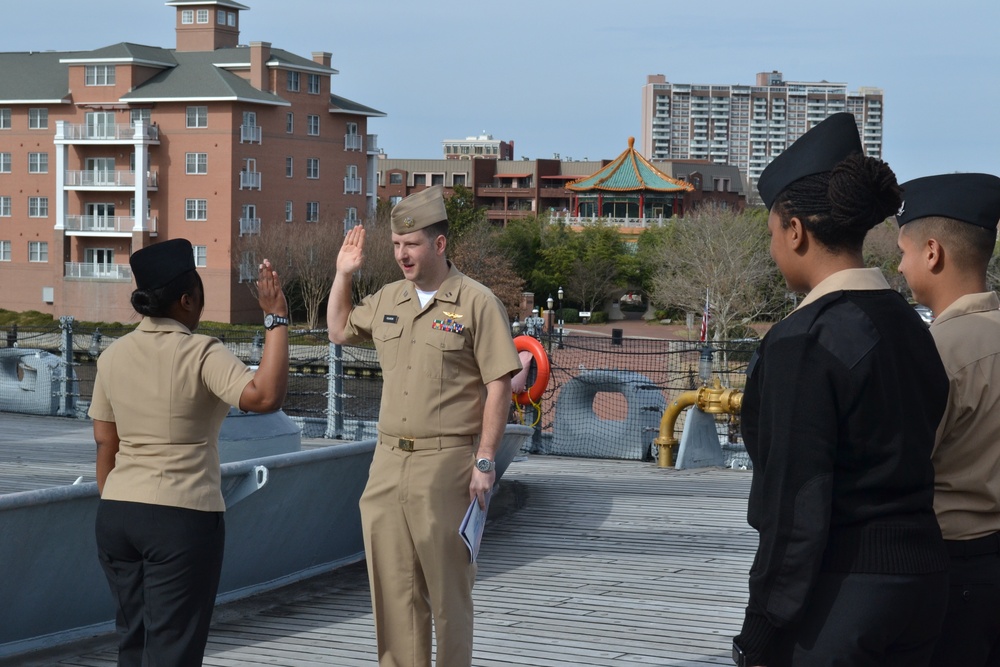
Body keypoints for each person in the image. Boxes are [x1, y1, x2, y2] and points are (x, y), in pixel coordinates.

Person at [731, 113, 950, 667]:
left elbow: (796, 504)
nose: (775, 244)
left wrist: (760, 629)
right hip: (923, 583)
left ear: (796, 230)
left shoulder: (803, 340)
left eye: (773, 231)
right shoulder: (910, 326)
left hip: (838, 595)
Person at [326, 185, 522, 667]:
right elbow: (338, 328)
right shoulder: (389, 297)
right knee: (394, 595)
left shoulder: (476, 302)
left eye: (410, 244)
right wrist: (342, 275)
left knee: (448, 597)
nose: (401, 254)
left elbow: (501, 384)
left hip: (449, 466)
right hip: (388, 462)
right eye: (395, 244)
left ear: (438, 244)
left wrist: (485, 460)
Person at [89, 238, 290, 667]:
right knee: (172, 649)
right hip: (181, 516)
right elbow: (265, 395)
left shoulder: (112, 356)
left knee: (133, 642)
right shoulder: (201, 352)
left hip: (118, 514)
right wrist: (276, 318)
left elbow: (107, 441)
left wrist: (117, 501)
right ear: (186, 300)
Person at [895, 173, 1000, 667]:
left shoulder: (933, 351)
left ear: (932, 252)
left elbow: (902, 468)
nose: (900, 266)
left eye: (904, 252)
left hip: (951, 566)